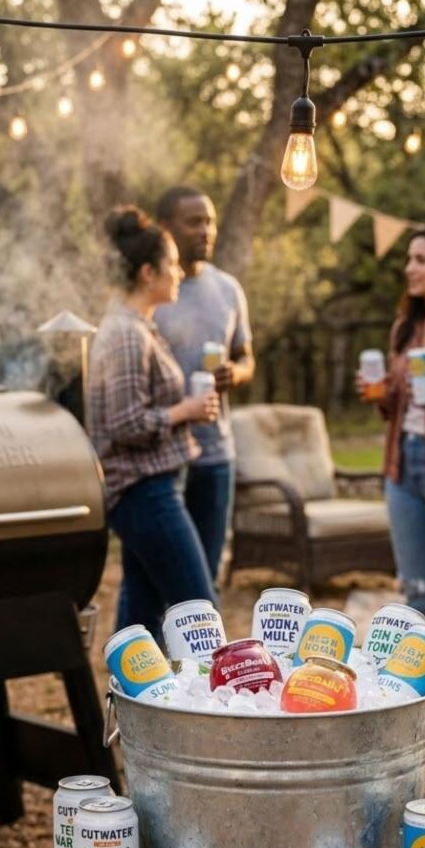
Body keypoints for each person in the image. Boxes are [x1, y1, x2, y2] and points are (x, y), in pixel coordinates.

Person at [88, 206, 220, 641]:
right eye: (172, 265)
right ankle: (221, 707)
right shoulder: (125, 333)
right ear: (148, 273)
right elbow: (126, 423)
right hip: (145, 492)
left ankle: (126, 706)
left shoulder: (140, 328)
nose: (180, 272)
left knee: (141, 622)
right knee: (202, 615)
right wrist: (188, 410)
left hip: (150, 488)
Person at [358, 228, 425, 631]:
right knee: (416, 589)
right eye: (408, 259)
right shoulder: (406, 325)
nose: (410, 269)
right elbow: (397, 403)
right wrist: (381, 395)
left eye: (422, 260)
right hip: (401, 461)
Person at [154, 187, 254, 582]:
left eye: (209, 221)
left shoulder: (228, 289)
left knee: (206, 577)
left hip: (216, 456)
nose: (206, 231)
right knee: (157, 576)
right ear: (166, 229)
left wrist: (237, 372)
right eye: (194, 222)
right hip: (165, 456)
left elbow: (248, 356)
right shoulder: (155, 290)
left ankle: (198, 647)